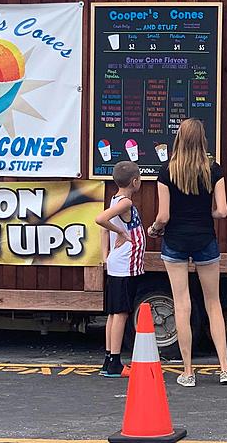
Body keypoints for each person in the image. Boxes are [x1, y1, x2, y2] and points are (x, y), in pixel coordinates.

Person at [147, 119, 227, 386]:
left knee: (181, 304)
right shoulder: (214, 170)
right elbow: (222, 211)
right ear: (203, 139)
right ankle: (225, 368)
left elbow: (163, 215)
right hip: (204, 240)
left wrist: (154, 229)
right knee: (213, 303)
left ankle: (188, 372)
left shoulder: (166, 171)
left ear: (179, 138)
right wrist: (206, 213)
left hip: (175, 240)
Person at [95, 160, 146, 377]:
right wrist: (123, 233)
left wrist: (105, 256)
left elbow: (104, 230)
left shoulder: (115, 199)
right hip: (126, 264)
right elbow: (100, 220)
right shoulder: (125, 203)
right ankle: (115, 362)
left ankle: (109, 359)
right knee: (121, 313)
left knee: (114, 313)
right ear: (135, 181)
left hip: (118, 262)